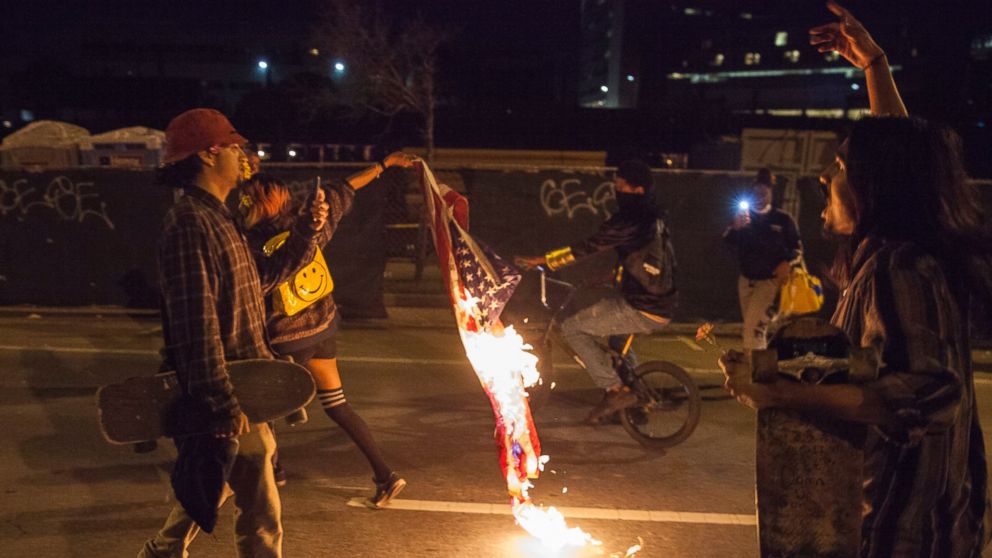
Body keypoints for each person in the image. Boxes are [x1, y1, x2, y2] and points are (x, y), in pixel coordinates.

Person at [721, 3, 992, 556]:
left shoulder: (899, 267)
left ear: (874, 189)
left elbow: (931, 390)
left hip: (898, 531)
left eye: (840, 168)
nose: (826, 175)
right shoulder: (909, 249)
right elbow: (906, 158)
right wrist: (875, 68)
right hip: (935, 519)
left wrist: (775, 393)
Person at [138, 108, 328, 558]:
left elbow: (258, 284)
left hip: (243, 389)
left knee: (220, 482)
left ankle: (160, 553)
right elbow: (195, 323)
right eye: (233, 145)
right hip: (229, 392)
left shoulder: (219, 218)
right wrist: (221, 404)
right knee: (261, 514)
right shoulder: (190, 224)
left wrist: (307, 231)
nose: (243, 154)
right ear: (208, 154)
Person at [240, 152, 415, 508]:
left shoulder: (252, 244)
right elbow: (345, 187)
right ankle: (385, 475)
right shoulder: (310, 222)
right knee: (338, 406)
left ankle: (275, 470)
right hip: (323, 330)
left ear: (255, 205)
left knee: (260, 407)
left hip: (287, 340)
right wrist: (384, 165)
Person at [515, 159, 678, 424]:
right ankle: (632, 406)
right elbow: (643, 258)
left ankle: (615, 391)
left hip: (644, 305)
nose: (617, 190)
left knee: (572, 329)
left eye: (621, 186)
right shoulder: (654, 217)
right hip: (658, 301)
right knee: (616, 344)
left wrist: (542, 260)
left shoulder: (631, 219)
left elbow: (588, 246)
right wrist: (608, 277)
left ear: (638, 190)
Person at [722, 167, 802, 351]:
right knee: (755, 329)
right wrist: (735, 227)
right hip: (746, 280)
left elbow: (797, 249)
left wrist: (787, 262)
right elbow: (727, 242)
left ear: (771, 193)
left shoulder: (783, 219)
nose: (760, 196)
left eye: (764, 192)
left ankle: (754, 373)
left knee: (753, 329)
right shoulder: (743, 218)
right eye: (756, 192)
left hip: (769, 282)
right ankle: (760, 369)